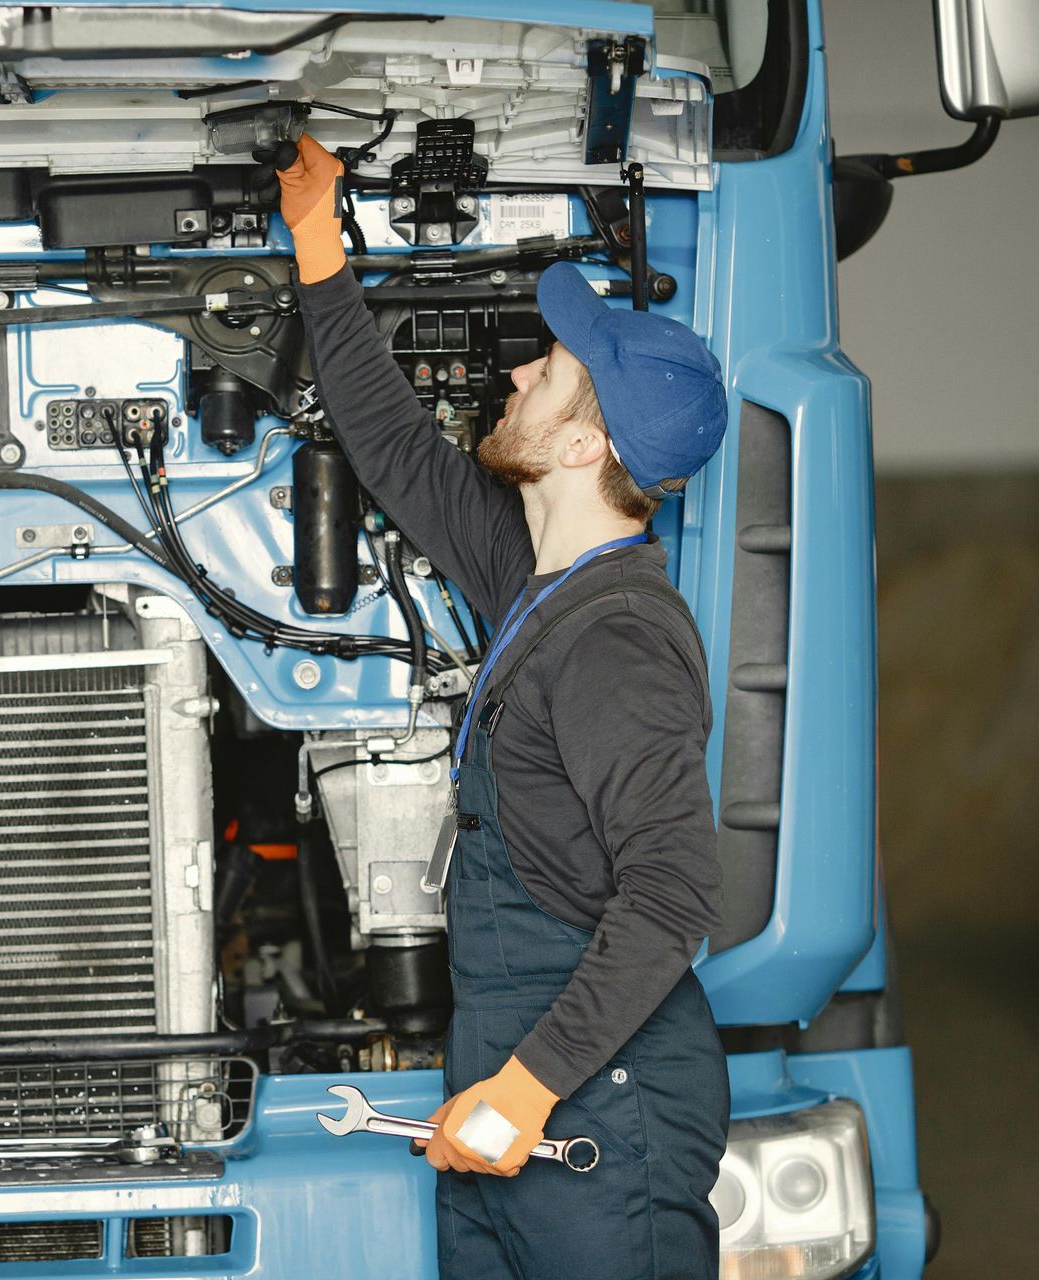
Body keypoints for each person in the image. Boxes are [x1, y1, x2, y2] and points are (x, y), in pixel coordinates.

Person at [278, 135, 733, 1278]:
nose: (520, 372)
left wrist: (529, 1089)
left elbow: (675, 893)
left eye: (550, 370)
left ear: (583, 443)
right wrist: (317, 236)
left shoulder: (617, 643)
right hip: (511, 1067)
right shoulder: (536, 587)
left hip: (599, 1103)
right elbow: (394, 448)